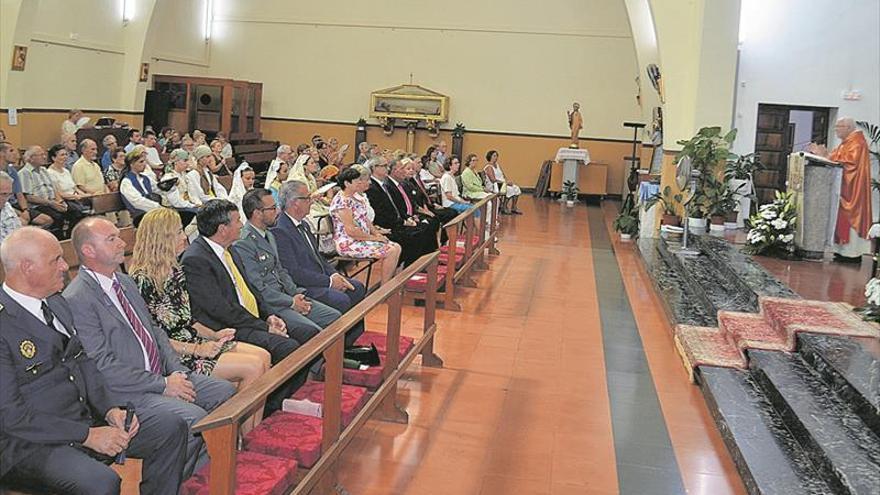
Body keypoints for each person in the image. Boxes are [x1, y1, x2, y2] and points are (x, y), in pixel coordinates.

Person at [0, 227, 189, 495]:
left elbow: (84, 362)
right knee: (100, 482)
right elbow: (11, 416)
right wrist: (88, 436)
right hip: (30, 443)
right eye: (56, 260)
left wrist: (111, 408)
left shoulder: (56, 304)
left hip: (83, 420)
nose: (65, 266)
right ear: (27, 267)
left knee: (170, 427)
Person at [61, 218, 236, 479]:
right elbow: (103, 365)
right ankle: (180, 482)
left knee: (225, 391)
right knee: (193, 419)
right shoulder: (78, 298)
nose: (122, 242)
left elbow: (155, 331)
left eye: (118, 236)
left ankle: (204, 473)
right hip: (128, 391)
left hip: (162, 376)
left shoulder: (125, 282)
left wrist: (178, 374)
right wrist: (163, 384)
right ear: (88, 251)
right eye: (112, 239)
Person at [129, 208, 270, 431]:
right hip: (175, 356)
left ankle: (250, 433)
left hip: (195, 342)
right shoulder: (142, 282)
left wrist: (215, 335)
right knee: (252, 367)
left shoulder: (175, 271)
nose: (184, 237)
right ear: (161, 239)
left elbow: (190, 319)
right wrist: (198, 349)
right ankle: (242, 438)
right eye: (177, 233)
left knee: (263, 356)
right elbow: (153, 338)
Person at [181, 199, 309, 413]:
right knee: (288, 348)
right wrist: (263, 326)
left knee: (306, 333)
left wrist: (269, 316)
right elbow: (219, 309)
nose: (241, 225)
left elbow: (251, 291)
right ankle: (269, 408)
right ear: (223, 229)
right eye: (237, 220)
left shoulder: (230, 249)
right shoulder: (196, 260)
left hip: (250, 318)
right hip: (227, 328)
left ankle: (287, 399)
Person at [234, 189, 344, 344]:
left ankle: (338, 360)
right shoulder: (243, 243)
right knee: (314, 333)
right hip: (273, 304)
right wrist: (290, 302)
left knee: (334, 317)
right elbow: (258, 287)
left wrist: (295, 294)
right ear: (257, 213)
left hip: (288, 296)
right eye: (272, 208)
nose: (277, 211)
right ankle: (320, 366)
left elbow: (281, 271)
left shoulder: (269, 235)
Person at [274, 180, 368, 314]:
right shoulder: (281, 231)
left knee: (357, 288)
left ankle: (357, 335)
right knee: (341, 299)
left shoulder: (304, 225)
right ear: (295, 203)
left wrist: (335, 274)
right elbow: (294, 272)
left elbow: (318, 257)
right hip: (304, 285)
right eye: (307, 198)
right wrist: (329, 282)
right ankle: (340, 334)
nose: (311, 201)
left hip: (318, 277)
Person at [807, 117, 873, 262]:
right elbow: (837, 158)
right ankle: (841, 251)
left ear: (848, 127)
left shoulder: (857, 143)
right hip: (844, 189)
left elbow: (848, 162)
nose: (836, 130)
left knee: (848, 221)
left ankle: (852, 254)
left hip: (852, 192)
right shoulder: (847, 143)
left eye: (839, 127)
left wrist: (824, 154)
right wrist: (823, 155)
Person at [330, 166, 402, 283]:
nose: (360, 182)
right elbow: (351, 231)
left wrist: (377, 234)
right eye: (357, 180)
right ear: (347, 183)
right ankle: (384, 289)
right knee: (391, 251)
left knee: (397, 247)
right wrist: (374, 238)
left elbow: (366, 220)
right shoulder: (341, 202)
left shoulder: (356, 197)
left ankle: (387, 284)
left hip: (362, 238)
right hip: (349, 242)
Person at [366, 157, 438, 266]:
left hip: (395, 221)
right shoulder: (372, 187)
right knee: (417, 233)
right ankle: (410, 268)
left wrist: (407, 218)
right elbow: (381, 214)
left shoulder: (382, 185)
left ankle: (423, 263)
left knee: (425, 228)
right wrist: (403, 222)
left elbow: (395, 208)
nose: (387, 168)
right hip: (386, 226)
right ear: (374, 168)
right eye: (384, 166)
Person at [119, 147, 197, 227]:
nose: (144, 164)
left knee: (188, 215)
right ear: (132, 164)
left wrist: (170, 186)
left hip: (153, 212)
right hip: (141, 215)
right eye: (141, 162)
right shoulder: (126, 182)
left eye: (145, 161)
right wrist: (158, 207)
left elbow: (159, 189)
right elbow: (138, 202)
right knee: (179, 219)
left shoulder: (145, 178)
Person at [19, 145, 85, 238]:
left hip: (52, 202)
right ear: (31, 158)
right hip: (39, 205)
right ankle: (57, 240)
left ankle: (71, 238)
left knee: (75, 211)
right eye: (41, 155)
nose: (44, 157)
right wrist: (51, 203)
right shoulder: (25, 173)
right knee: (59, 216)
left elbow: (54, 189)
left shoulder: (43, 170)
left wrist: (60, 202)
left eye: (44, 154)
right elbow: (29, 197)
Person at [1, 142, 52, 229]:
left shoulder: (12, 171)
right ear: (1, 153)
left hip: (15, 204)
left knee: (47, 220)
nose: (15, 154)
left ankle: (29, 233)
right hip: (4, 205)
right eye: (11, 151)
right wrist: (18, 213)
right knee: (23, 222)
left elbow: (19, 194)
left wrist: (25, 210)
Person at [485, 150, 522, 215]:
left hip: (502, 183)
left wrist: (507, 181)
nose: (496, 157)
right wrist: (505, 183)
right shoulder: (489, 167)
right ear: (490, 156)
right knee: (509, 189)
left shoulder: (497, 165)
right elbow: (493, 180)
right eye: (494, 156)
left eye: (497, 156)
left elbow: (503, 175)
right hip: (494, 185)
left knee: (516, 188)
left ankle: (514, 207)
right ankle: (504, 207)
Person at [0, 172, 22, 243]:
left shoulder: (6, 206)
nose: (6, 199)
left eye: (9, 194)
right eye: (3, 194)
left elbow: (17, 230)